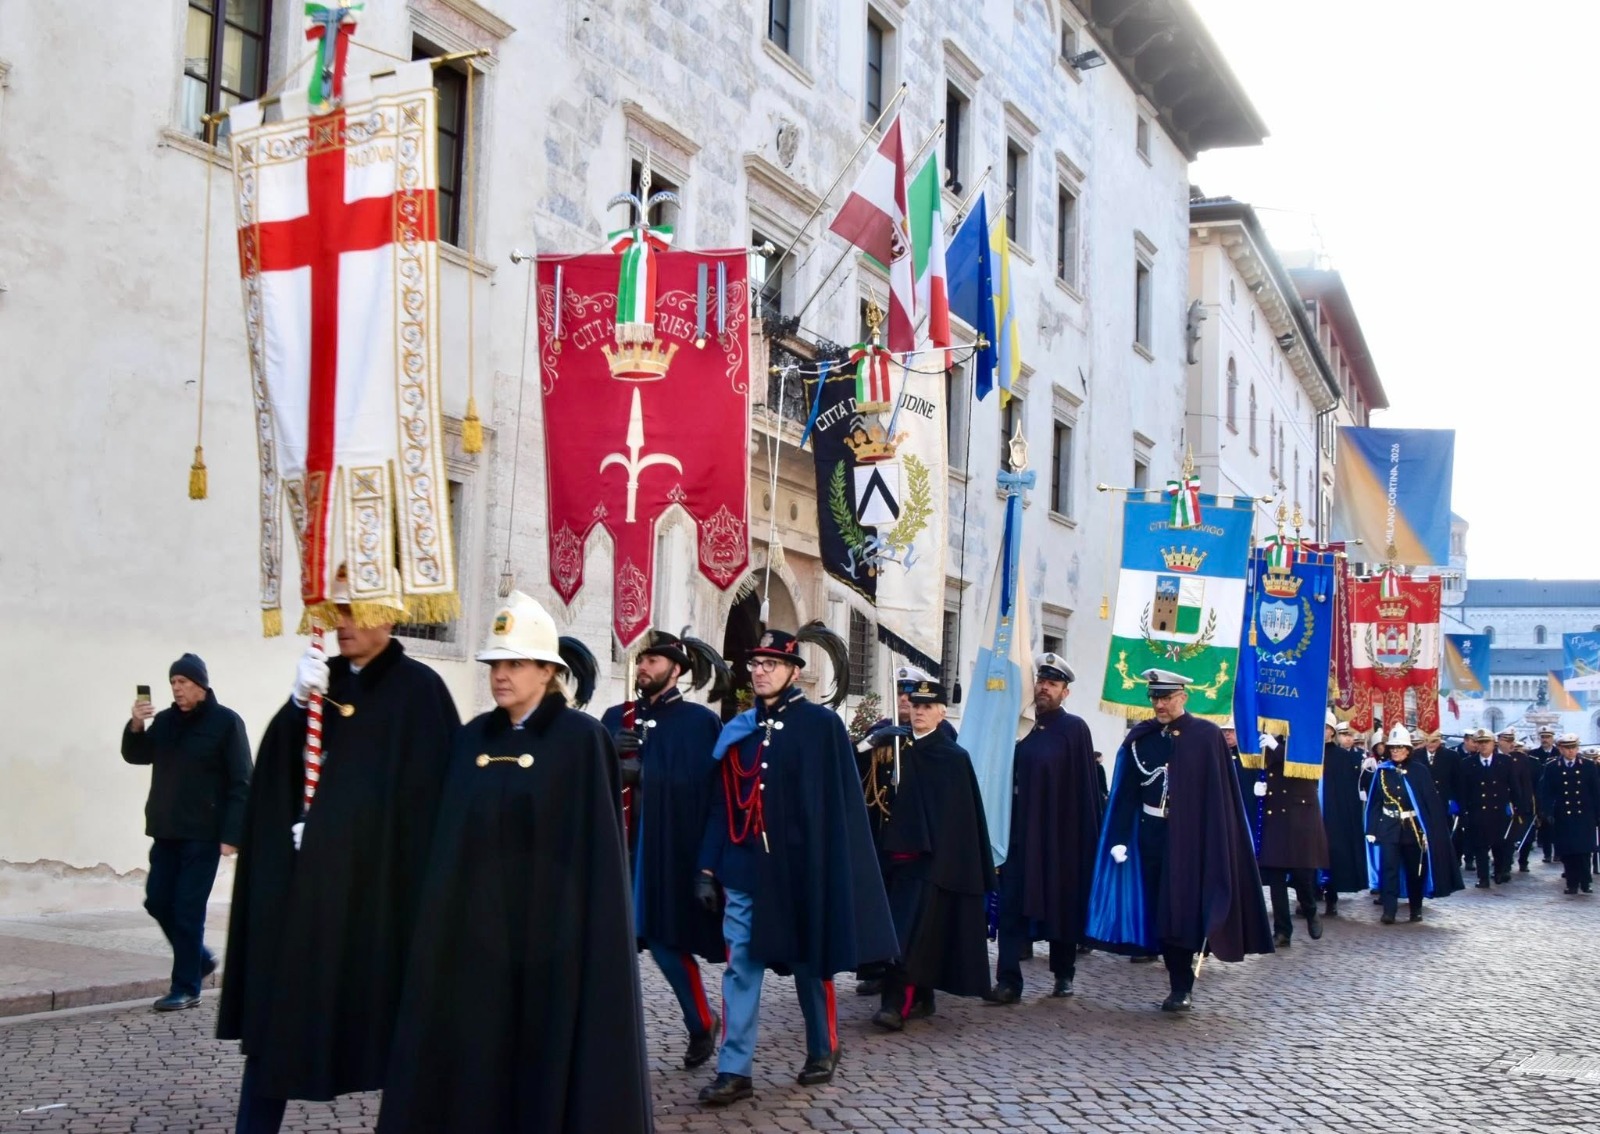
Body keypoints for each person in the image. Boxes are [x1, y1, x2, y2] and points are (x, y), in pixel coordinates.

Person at [379, 592, 650, 1134]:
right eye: (495, 663)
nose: (500, 675)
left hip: (551, 945)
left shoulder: (580, 740)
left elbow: (595, 852)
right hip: (475, 945)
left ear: (548, 671)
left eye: (515, 663)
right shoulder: (471, 738)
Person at [218, 575, 459, 1134]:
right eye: (337, 609)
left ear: (390, 617)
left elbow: (421, 805)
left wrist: (334, 832)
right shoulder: (325, 685)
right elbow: (279, 773)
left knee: (391, 1033)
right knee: (280, 1022)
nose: (342, 621)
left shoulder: (418, 693)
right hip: (309, 899)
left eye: (356, 610)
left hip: (375, 903)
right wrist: (297, 707)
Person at [695, 628, 897, 1106]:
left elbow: (839, 808)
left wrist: (829, 868)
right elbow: (722, 805)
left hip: (801, 872)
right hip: (744, 869)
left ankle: (824, 1047)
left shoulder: (819, 727)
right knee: (740, 967)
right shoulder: (738, 730)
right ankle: (734, 1069)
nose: (761, 671)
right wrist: (707, 868)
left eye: (771, 664)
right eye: (756, 664)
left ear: (793, 671)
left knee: (811, 963)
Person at [1086, 669, 1273, 1013]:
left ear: (1184, 697)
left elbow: (1220, 794)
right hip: (1150, 835)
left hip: (1190, 837)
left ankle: (1180, 986)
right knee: (1159, 906)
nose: (1160, 704)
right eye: (1155, 697)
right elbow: (1126, 791)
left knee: (1181, 910)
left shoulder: (1206, 735)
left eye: (1167, 697)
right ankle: (1163, 962)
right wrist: (1120, 835)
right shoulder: (1141, 739)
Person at [600, 630, 726, 1070]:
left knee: (665, 942)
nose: (643, 668)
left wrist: (708, 867)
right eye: (641, 661)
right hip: (617, 851)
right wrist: (606, 758)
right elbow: (587, 784)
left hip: (671, 853)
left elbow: (713, 797)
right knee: (606, 947)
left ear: (676, 670)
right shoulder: (617, 716)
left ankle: (700, 1021)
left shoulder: (699, 723)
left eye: (653, 661)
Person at [121, 654, 251, 1012]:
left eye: (183, 682)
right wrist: (135, 724)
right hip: (166, 831)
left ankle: (186, 987)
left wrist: (232, 834)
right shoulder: (163, 722)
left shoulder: (226, 723)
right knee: (158, 901)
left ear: (201, 685)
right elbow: (136, 755)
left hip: (204, 835)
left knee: (187, 909)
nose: (176, 689)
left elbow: (242, 781)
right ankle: (199, 959)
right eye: (173, 683)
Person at [869, 679, 993, 1031]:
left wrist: (945, 863)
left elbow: (960, 820)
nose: (919, 711)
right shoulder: (895, 747)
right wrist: (872, 742)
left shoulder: (953, 758)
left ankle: (896, 1004)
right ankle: (922, 995)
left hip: (930, 862)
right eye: (915, 705)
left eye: (927, 706)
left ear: (942, 712)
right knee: (900, 929)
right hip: (892, 856)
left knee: (911, 933)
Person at [985, 654, 1104, 1004]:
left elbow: (1083, 790)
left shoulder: (1074, 729)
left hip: (1057, 836)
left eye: (1052, 684)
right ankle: (1008, 981)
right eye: (1041, 681)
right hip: (1019, 833)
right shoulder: (1018, 725)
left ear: (1065, 692)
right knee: (1009, 906)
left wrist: (1081, 838)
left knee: (1061, 905)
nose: (1044, 688)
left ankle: (1063, 973)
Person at [1363, 725, 1461, 923]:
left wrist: (1429, 831)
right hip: (1389, 826)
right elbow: (1374, 803)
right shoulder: (1382, 771)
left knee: (1414, 869)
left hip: (1413, 828)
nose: (1396, 751)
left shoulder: (1419, 771)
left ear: (1408, 749)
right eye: (1393, 747)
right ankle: (1389, 911)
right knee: (1388, 869)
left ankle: (1416, 907)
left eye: (1400, 747)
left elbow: (1429, 803)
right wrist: (1371, 828)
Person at [1249, 732, 1329, 946]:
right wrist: (1256, 787)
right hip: (1273, 813)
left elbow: (1306, 768)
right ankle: (1282, 931)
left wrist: (1277, 747)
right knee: (1275, 877)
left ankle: (1310, 910)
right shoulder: (1264, 739)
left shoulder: (1304, 737)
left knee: (1301, 873)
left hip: (1298, 815)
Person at [1538, 733, 1600, 895]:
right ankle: (1572, 883)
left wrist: (1597, 813)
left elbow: (1596, 791)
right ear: (1560, 749)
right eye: (1567, 748)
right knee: (1568, 851)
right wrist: (1547, 811)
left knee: (1584, 851)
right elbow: (1546, 792)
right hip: (1563, 814)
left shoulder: (1587, 765)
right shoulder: (1552, 767)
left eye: (1573, 748)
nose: (1571, 751)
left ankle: (1586, 882)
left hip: (1584, 814)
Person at [1458, 725, 1519, 888]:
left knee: (1499, 845)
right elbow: (1463, 790)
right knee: (1480, 847)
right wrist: (1463, 812)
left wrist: (1518, 808)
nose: (1483, 745)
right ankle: (1483, 877)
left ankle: (1498, 872)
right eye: (1480, 742)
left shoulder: (1505, 762)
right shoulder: (1467, 763)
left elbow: (1514, 786)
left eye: (1486, 742)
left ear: (1494, 744)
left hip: (1498, 812)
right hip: (1477, 811)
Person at [1320, 719, 1366, 918]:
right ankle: (1307, 897)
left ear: (1331, 732)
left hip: (1333, 813)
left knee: (1332, 855)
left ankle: (1332, 898)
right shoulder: (1304, 753)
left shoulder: (1342, 757)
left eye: (1325, 728)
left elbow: (1350, 788)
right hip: (1309, 811)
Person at [1529, 726, 1561, 863]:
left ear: (1552, 738)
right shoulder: (1534, 753)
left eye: (1547, 737)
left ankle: (1558, 853)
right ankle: (1547, 853)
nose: (1545, 740)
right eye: (1542, 737)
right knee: (1546, 825)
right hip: (1541, 791)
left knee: (1559, 827)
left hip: (1558, 793)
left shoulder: (1559, 752)